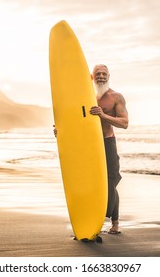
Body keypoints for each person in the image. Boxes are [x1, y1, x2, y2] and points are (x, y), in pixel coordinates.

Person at [54, 64, 129, 234]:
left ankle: (114, 221)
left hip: (107, 142)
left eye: (104, 73)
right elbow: (71, 120)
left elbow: (124, 123)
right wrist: (60, 131)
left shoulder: (116, 97)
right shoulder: (81, 97)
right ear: (91, 76)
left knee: (111, 180)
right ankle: (91, 219)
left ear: (109, 76)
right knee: (88, 181)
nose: (101, 76)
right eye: (98, 73)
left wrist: (103, 115)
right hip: (86, 144)